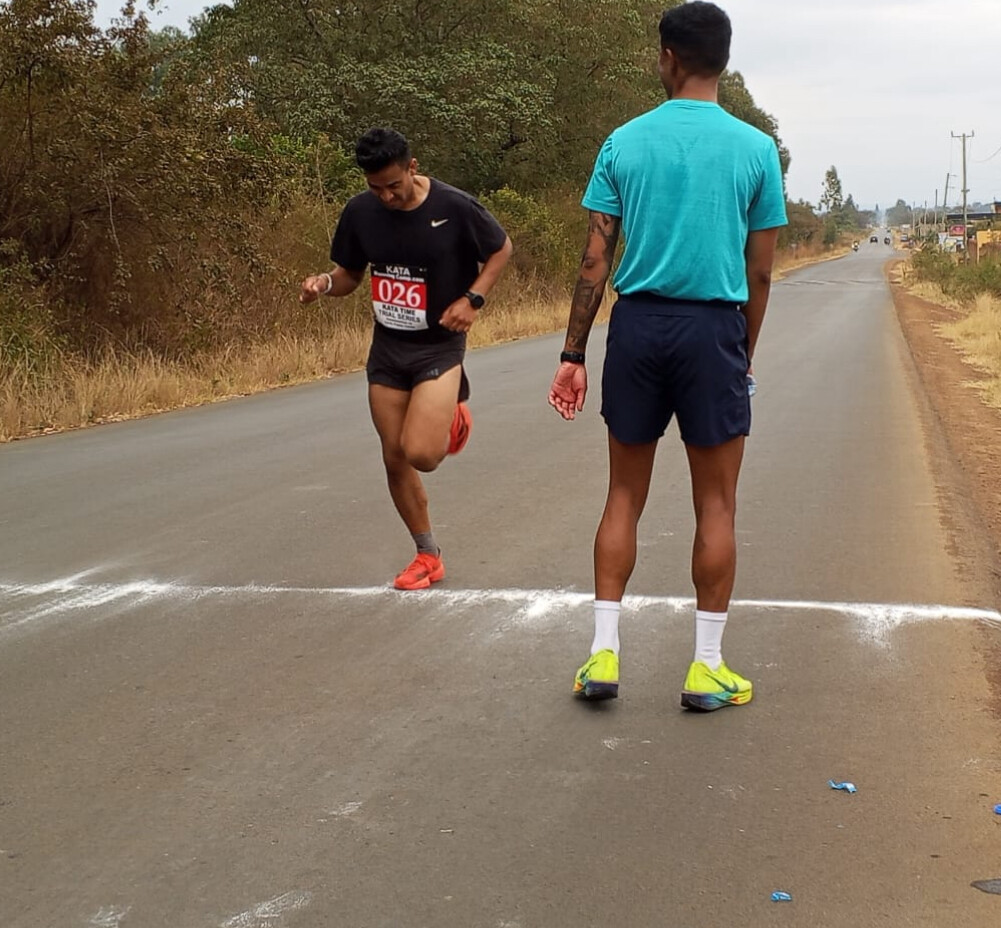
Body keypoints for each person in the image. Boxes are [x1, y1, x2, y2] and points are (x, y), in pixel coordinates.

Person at [546, 1, 787, 711]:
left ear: (669, 57)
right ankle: (705, 668)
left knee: (623, 494)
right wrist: (743, 352)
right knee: (716, 502)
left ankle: (602, 654)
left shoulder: (623, 142)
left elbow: (595, 261)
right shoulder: (756, 150)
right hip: (714, 329)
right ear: (723, 61)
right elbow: (761, 270)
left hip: (638, 326)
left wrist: (572, 352)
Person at [300, 128, 513, 590]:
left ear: (412, 168)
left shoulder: (455, 207)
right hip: (389, 349)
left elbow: (501, 249)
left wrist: (473, 299)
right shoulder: (360, 212)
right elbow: (349, 274)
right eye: (375, 187)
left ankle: (452, 415)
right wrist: (324, 283)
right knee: (395, 456)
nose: (386, 196)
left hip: (439, 345)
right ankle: (427, 555)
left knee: (423, 454)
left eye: (393, 185)